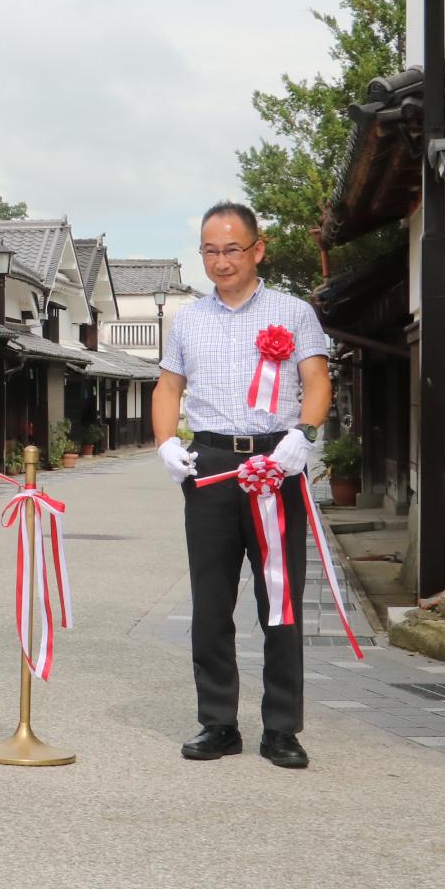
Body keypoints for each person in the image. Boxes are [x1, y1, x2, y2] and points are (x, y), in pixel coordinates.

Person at [153, 201, 330, 769]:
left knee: (279, 599)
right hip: (210, 464)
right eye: (210, 250)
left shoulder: (293, 312)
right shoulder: (188, 319)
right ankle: (218, 721)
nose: (221, 261)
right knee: (209, 600)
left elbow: (317, 381)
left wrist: (302, 436)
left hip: (276, 463)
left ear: (258, 249)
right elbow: (167, 387)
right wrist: (165, 443)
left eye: (233, 248)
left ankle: (281, 727)